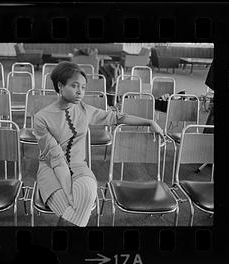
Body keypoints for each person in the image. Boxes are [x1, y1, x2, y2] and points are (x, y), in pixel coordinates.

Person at [33, 61, 164, 227]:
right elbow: (56, 158)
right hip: (51, 170)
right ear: (60, 86)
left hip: (79, 167)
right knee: (70, 208)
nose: (80, 91)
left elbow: (116, 117)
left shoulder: (84, 109)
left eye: (83, 87)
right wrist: (68, 192)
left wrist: (150, 122)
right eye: (74, 86)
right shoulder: (41, 118)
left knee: (86, 193)